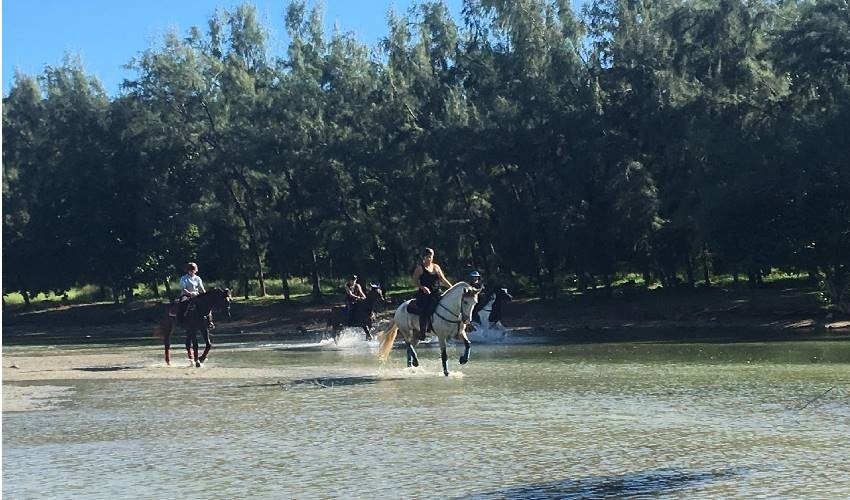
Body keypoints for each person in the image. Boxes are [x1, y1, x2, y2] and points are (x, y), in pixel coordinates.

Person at [411, 247, 453, 340]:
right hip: (425, 295)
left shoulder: (436, 267)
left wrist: (452, 288)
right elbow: (414, 280)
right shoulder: (420, 268)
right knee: (425, 310)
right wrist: (422, 287)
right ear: (424, 257)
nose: (430, 259)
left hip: (436, 293)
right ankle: (423, 332)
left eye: (431, 256)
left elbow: (443, 279)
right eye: (428, 257)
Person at [178, 262, 207, 326]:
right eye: (190, 270)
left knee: (206, 305)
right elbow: (183, 288)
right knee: (183, 305)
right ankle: (180, 319)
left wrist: (205, 295)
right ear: (188, 270)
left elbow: (201, 288)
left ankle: (209, 321)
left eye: (193, 270)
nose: (192, 271)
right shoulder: (184, 278)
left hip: (196, 295)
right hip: (186, 295)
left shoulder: (198, 278)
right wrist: (190, 293)